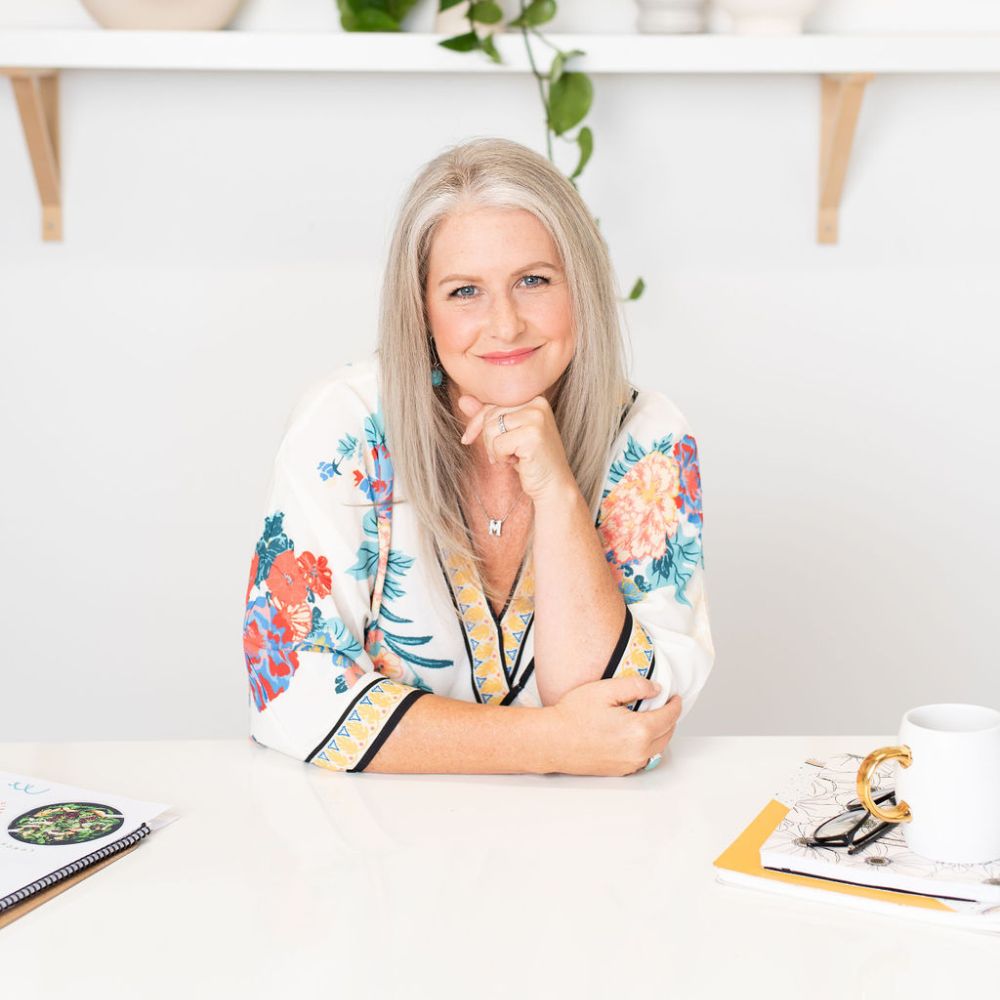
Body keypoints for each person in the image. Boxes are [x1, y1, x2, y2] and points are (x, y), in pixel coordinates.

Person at [242, 136, 715, 777]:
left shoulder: (645, 435)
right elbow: (290, 694)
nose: (506, 324)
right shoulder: (344, 425)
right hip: (371, 846)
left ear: (583, 288)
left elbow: (627, 724)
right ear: (422, 311)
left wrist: (557, 494)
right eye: (466, 291)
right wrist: (548, 743)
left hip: (594, 846)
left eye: (534, 281)